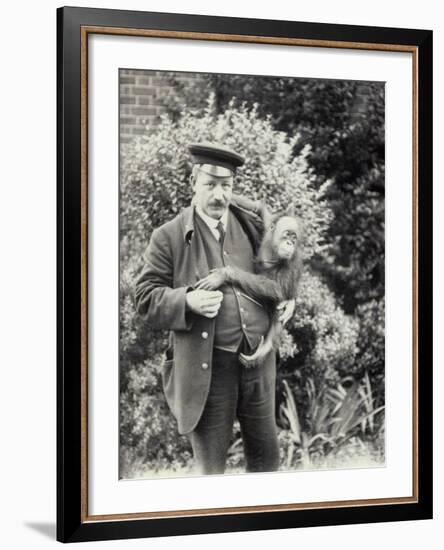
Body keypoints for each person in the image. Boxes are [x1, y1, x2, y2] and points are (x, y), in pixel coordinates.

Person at [134, 142, 295, 475]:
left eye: (227, 185)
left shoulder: (251, 223)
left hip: (258, 365)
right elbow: (145, 298)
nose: (219, 195)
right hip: (208, 370)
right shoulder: (168, 237)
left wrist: (288, 297)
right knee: (211, 473)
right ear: (193, 181)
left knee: (267, 463)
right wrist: (187, 301)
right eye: (210, 184)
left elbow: (278, 266)